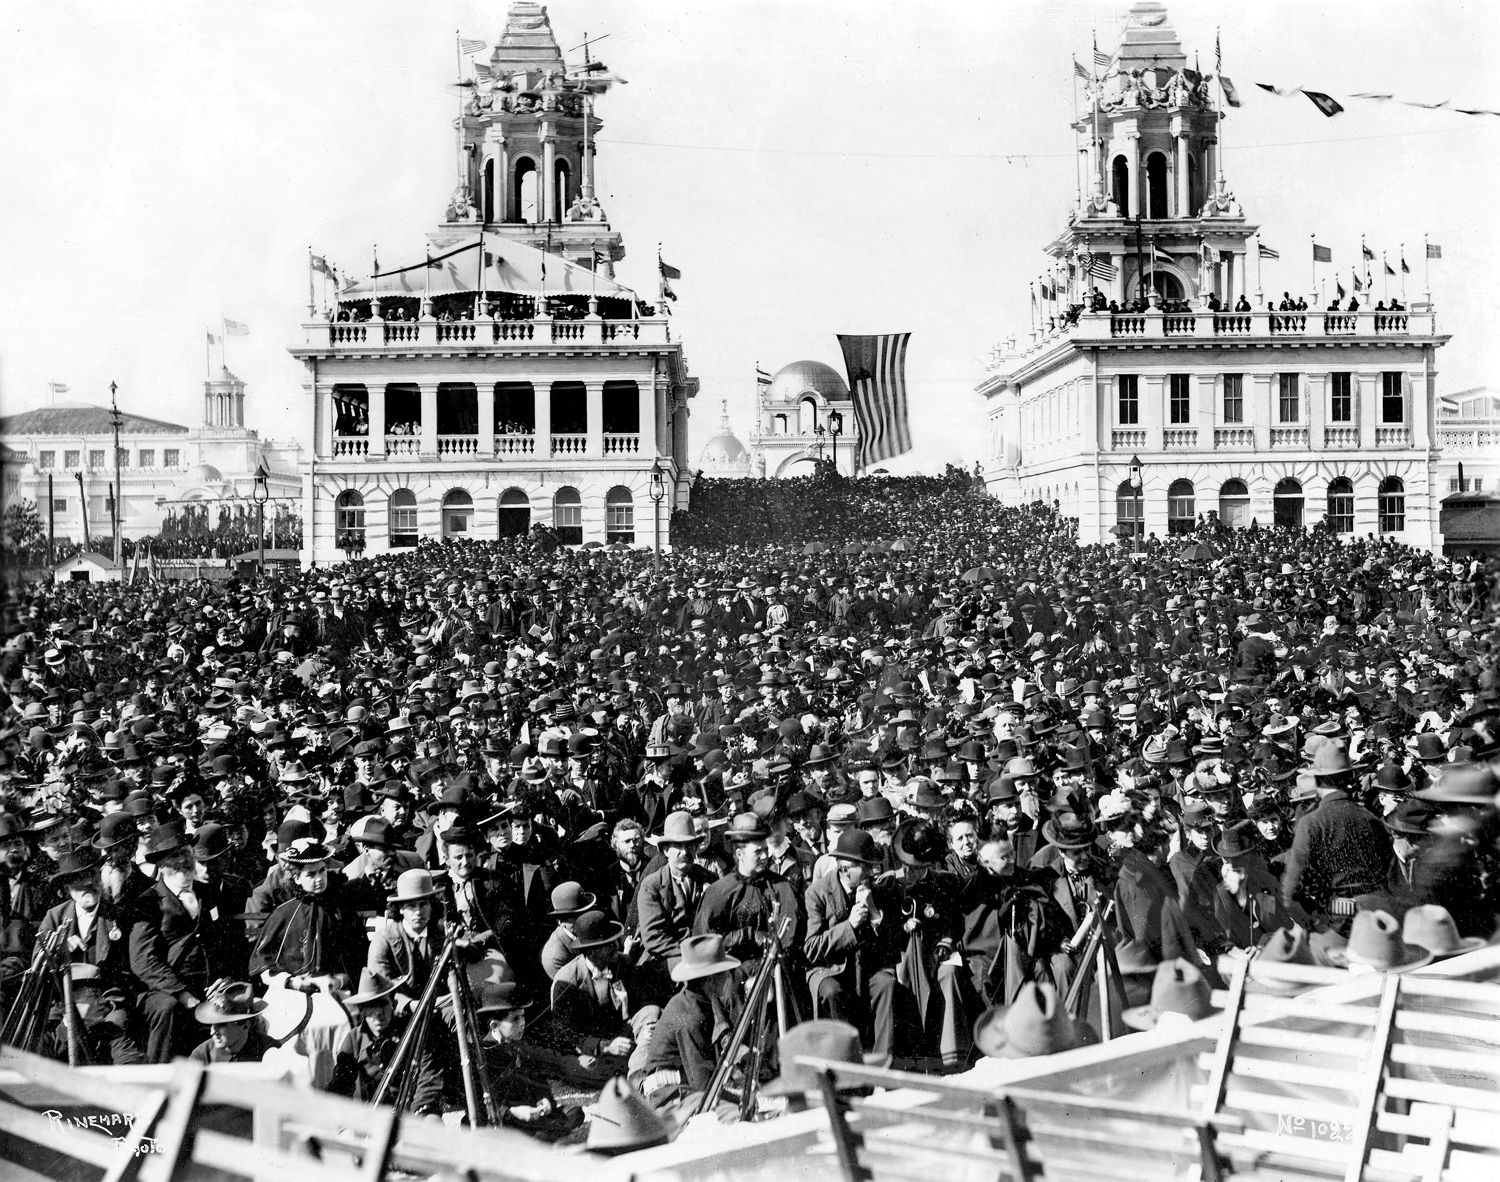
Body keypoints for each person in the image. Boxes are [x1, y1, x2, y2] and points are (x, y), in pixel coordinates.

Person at [803, 828, 908, 1062]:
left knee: (886, 984)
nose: (872, 871)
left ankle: (883, 1065)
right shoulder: (817, 893)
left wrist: (874, 912)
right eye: (866, 866)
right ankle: (846, 1068)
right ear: (844, 869)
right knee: (832, 991)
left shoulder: (875, 890)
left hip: (868, 967)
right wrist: (849, 927)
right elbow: (811, 948)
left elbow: (893, 942)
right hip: (830, 969)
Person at [634, 933, 740, 1107]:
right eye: (724, 973)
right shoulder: (691, 1016)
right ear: (710, 978)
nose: (729, 977)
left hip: (676, 1087)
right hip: (666, 1095)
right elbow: (702, 1086)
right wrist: (737, 1100)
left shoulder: (694, 1002)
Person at [187, 980, 271, 1065]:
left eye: (221, 1025)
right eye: (212, 1024)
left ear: (245, 1025)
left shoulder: (268, 1049)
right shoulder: (202, 1055)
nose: (212, 1032)